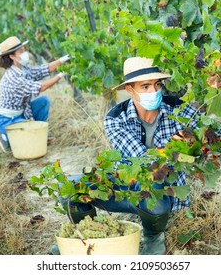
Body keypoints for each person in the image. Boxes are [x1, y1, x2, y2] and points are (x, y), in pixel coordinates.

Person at [52, 57, 200, 255]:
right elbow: (144, 161)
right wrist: (174, 147)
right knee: (68, 189)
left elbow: (208, 136)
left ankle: (154, 236)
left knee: (153, 189)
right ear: (130, 90)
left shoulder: (179, 109)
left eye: (157, 85)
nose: (154, 92)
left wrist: (197, 140)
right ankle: (86, 233)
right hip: (126, 188)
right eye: (145, 87)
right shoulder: (115, 118)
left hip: (163, 191)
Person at [0, 36, 70, 153]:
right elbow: (41, 87)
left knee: (43, 101)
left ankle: (40, 134)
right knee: (31, 135)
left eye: (24, 50)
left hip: (21, 114)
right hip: (6, 120)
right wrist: (60, 75)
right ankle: (5, 137)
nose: (25, 54)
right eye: (21, 52)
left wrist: (61, 60)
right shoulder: (12, 78)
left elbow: (40, 70)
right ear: (12, 56)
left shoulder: (22, 67)